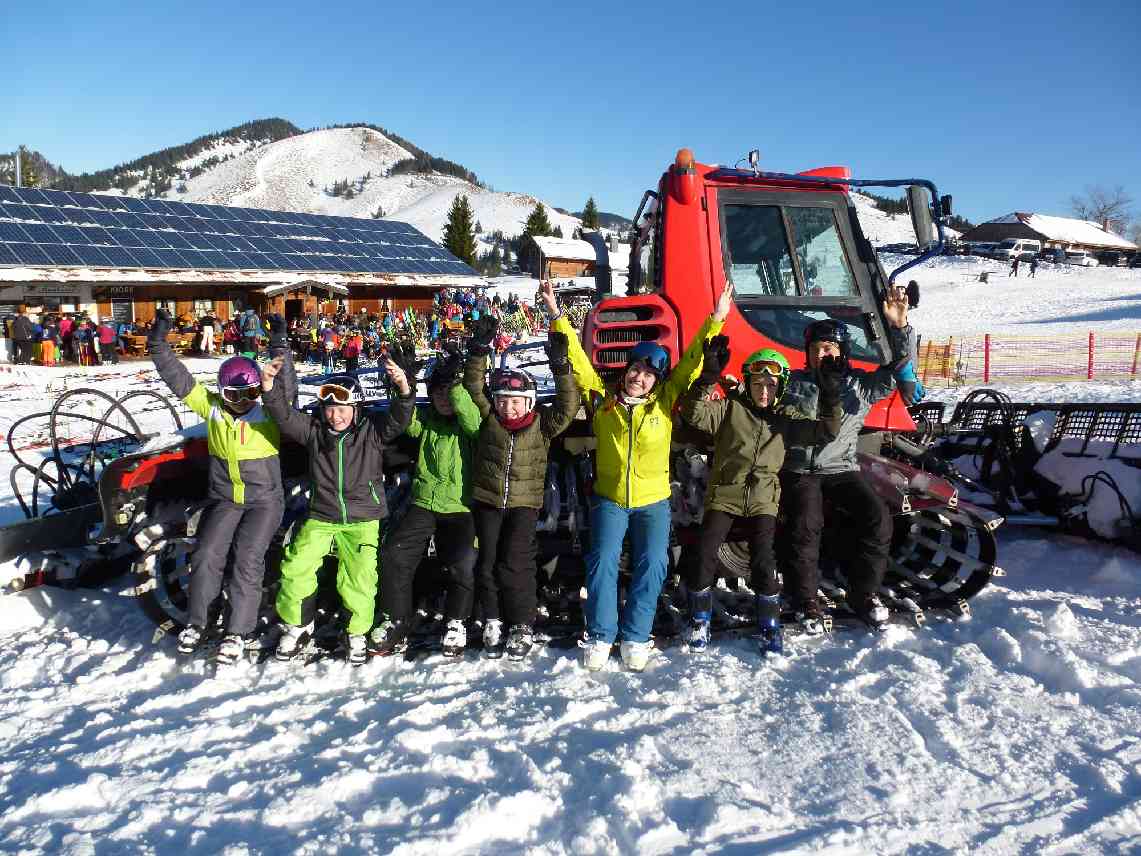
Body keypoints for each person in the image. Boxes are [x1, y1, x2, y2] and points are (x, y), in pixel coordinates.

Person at [540, 278, 731, 671]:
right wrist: (557, 316)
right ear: (626, 370)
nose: (639, 377)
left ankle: (636, 635)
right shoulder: (602, 401)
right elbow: (577, 361)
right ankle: (600, 634)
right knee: (602, 561)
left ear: (656, 381)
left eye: (648, 374)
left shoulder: (664, 403)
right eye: (636, 370)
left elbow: (693, 361)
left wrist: (716, 321)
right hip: (611, 500)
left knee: (654, 563)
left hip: (653, 501)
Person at [148, 310, 295, 665]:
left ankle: (237, 632)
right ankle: (199, 622)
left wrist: (280, 342)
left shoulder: (268, 414)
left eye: (249, 393)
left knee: (247, 559)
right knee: (206, 555)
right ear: (221, 391)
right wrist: (158, 342)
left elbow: (285, 387)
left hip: (264, 502)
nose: (241, 401)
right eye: (233, 393)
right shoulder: (211, 409)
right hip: (226, 499)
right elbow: (177, 378)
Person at [679, 343, 842, 654]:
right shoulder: (730, 409)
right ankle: (700, 619)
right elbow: (694, 413)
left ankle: (769, 624)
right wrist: (708, 376)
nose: (763, 391)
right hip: (725, 492)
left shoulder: (785, 418)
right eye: (757, 384)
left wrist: (831, 395)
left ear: (779, 388)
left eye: (769, 385)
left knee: (764, 560)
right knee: (704, 552)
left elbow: (826, 432)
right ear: (747, 383)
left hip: (763, 498)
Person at [260, 349, 415, 665]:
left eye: (343, 409)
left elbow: (400, 418)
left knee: (359, 576)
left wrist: (403, 387)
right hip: (323, 515)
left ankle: (356, 632)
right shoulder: (314, 433)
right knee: (296, 566)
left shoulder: (371, 433)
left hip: (362, 518)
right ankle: (299, 627)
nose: (336, 416)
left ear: (355, 409)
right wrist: (268, 387)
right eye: (330, 409)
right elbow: (284, 417)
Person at [778, 286, 916, 632]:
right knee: (806, 527)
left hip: (841, 469)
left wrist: (900, 328)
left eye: (830, 348)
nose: (823, 354)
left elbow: (898, 368)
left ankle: (863, 594)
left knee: (877, 518)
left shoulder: (859, 386)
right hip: (801, 468)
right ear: (807, 354)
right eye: (817, 349)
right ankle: (806, 599)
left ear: (842, 352)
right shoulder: (793, 384)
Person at [461, 318, 578, 660]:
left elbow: (568, 405)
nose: (507, 407)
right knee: (488, 562)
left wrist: (561, 368)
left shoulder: (542, 425)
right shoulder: (490, 419)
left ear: (528, 402)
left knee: (515, 562)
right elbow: (473, 386)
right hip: (488, 500)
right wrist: (479, 351)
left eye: (515, 401)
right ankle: (493, 617)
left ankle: (521, 622)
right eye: (503, 400)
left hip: (524, 504)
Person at [371, 345, 482, 658]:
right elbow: (406, 420)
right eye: (438, 394)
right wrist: (402, 385)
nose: (444, 400)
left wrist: (455, 384)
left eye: (449, 394)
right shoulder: (427, 422)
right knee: (394, 554)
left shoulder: (470, 426)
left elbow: (471, 418)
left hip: (459, 507)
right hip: (423, 503)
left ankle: (457, 621)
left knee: (461, 564)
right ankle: (396, 618)